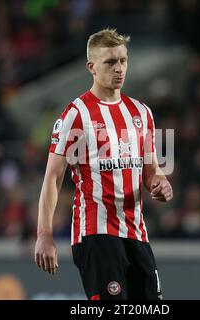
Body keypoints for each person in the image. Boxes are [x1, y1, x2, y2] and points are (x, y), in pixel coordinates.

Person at [34, 28, 173, 300]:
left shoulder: (142, 113)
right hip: (95, 233)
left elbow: (153, 170)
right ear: (92, 67)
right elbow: (52, 177)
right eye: (110, 62)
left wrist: (161, 184)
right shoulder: (76, 115)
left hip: (136, 231)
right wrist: (44, 234)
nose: (119, 68)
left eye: (123, 60)